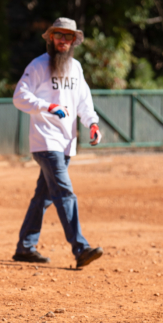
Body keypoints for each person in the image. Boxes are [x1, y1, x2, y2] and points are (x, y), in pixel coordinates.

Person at [12, 17, 104, 268]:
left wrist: (92, 123)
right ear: (51, 38)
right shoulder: (39, 65)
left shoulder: (76, 68)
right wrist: (47, 106)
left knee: (44, 196)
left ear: (74, 41)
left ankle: (25, 247)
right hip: (45, 141)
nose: (64, 41)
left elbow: (84, 101)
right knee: (64, 192)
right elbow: (19, 97)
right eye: (59, 36)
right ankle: (80, 248)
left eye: (69, 37)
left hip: (66, 142)